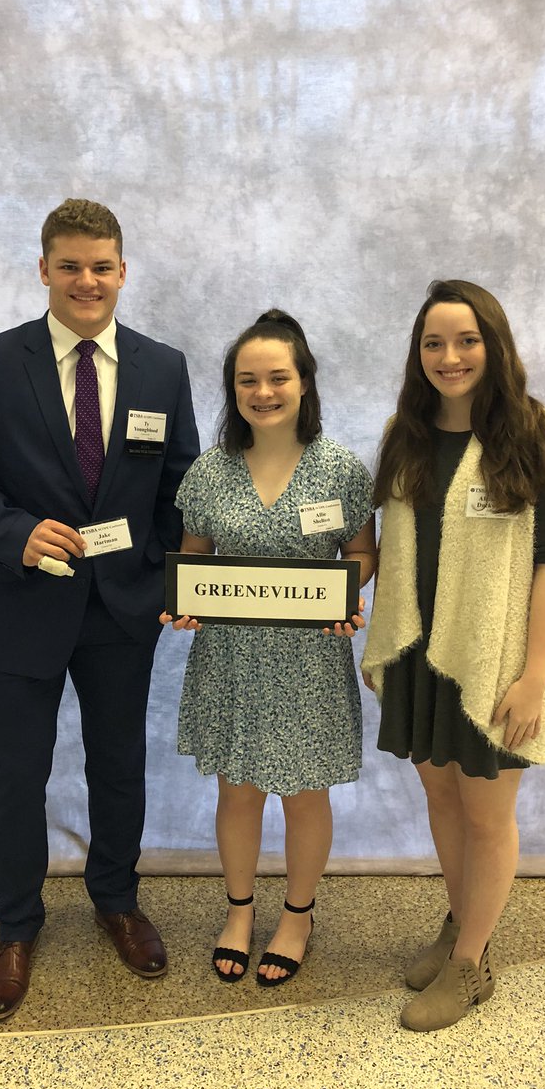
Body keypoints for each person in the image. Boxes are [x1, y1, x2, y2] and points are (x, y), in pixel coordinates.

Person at [0, 198, 199, 1020]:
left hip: (123, 608)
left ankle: (116, 898)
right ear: (44, 269)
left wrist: (178, 583)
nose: (88, 280)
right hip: (19, 608)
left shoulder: (162, 367)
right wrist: (12, 531)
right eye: (71, 265)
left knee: (119, 765)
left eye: (102, 265)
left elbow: (180, 487)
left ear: (123, 271)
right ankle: (15, 928)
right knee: (18, 774)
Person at [361, 279, 545, 1032]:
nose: (449, 357)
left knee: (487, 815)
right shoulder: (405, 432)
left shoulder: (536, 431)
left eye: (466, 340)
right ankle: (462, 923)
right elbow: (383, 546)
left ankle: (471, 965)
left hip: (492, 660)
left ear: (494, 344)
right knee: (442, 797)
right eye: (433, 343)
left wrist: (534, 675)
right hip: (421, 653)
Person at [162, 310, 376, 986]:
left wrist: (348, 596)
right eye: (247, 380)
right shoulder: (209, 471)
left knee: (306, 795)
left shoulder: (341, 469)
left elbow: (363, 552)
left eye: (277, 377)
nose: (263, 391)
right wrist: (186, 604)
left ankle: (298, 915)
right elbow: (194, 560)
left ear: (304, 382)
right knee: (239, 792)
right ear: (233, 389)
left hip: (310, 658)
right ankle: (239, 910)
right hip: (231, 661)